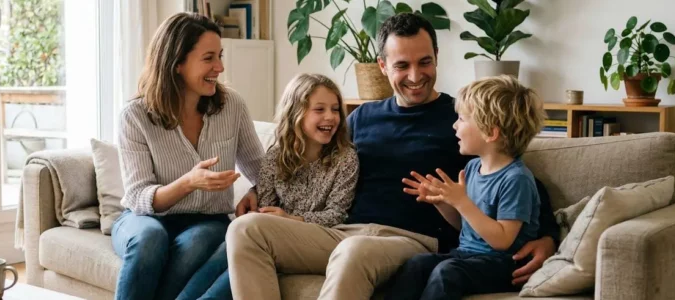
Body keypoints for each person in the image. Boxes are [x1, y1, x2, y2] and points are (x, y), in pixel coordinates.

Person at [227, 13, 561, 300]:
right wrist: (258, 189)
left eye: (424, 62)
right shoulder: (360, 119)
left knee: (353, 252)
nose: (416, 76)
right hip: (345, 232)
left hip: (411, 242)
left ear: (437, 57)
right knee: (245, 230)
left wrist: (547, 236)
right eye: (402, 65)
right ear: (383, 66)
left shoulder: (466, 121)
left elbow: (517, 177)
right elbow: (309, 165)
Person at [111, 12, 265, 300]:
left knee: (202, 239)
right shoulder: (134, 116)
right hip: (143, 218)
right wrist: (189, 183)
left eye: (220, 56)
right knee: (149, 239)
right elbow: (138, 198)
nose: (219, 67)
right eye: (208, 58)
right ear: (177, 63)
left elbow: (262, 170)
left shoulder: (232, 106)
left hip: (208, 220)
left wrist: (256, 190)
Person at [178, 73, 359, 300]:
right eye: (319, 109)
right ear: (296, 113)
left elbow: (338, 214)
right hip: (273, 235)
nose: (330, 117)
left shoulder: (345, 158)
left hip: (316, 239)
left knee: (238, 239)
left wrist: (293, 219)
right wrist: (268, 210)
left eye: (335, 110)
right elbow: (264, 205)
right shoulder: (276, 156)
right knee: (229, 249)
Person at [385, 75, 546, 299]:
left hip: (505, 264)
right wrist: (443, 202)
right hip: (467, 255)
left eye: (461, 119)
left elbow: (502, 240)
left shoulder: (516, 179)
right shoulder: (472, 168)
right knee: (418, 264)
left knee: (447, 273)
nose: (454, 125)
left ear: (491, 132)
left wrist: (462, 201)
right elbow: (466, 227)